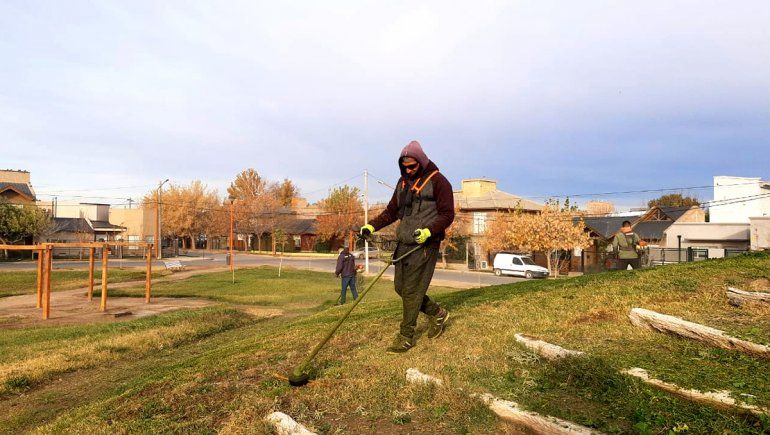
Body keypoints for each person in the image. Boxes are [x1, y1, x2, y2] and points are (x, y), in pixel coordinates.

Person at [360, 140, 455, 353]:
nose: (409, 170)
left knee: (412, 290)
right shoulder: (402, 183)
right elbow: (392, 211)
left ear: (421, 162)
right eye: (405, 167)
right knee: (400, 288)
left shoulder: (439, 182)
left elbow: (448, 214)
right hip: (403, 244)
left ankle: (406, 336)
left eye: (412, 166)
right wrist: (371, 226)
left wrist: (430, 231)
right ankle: (437, 313)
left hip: (425, 245)